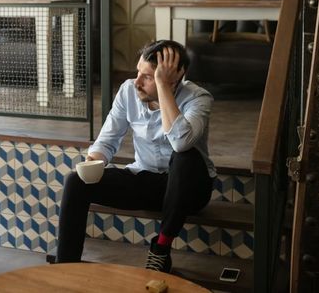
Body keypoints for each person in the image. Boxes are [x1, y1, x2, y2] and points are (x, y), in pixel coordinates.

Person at [52, 39, 215, 272]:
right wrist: (92, 165)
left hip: (190, 190)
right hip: (149, 182)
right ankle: (65, 267)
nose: (137, 81)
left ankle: (160, 250)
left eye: (148, 76)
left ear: (176, 77)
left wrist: (161, 87)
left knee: (184, 157)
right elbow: (107, 140)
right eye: (138, 71)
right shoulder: (129, 90)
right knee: (76, 181)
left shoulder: (198, 99)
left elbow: (180, 142)